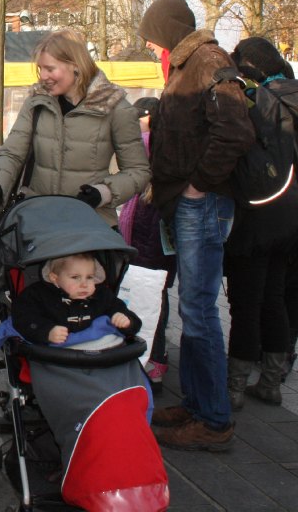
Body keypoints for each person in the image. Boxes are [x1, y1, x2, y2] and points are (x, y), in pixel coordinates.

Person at [138, 0, 254, 452]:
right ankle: (197, 404)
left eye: (150, 38)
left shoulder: (207, 60)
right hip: (187, 203)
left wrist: (197, 186)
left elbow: (235, 130)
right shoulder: (189, 65)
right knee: (194, 308)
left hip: (200, 204)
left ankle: (212, 419)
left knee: (200, 310)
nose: (148, 47)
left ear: (166, 31)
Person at [223, 37, 298, 409]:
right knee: (275, 298)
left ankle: (234, 389)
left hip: (256, 214)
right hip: (293, 217)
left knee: (245, 302)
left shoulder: (257, 105)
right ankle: (272, 381)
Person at [0, 29, 149, 226]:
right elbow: (12, 154)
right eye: (40, 69)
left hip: (89, 221)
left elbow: (138, 171)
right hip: (37, 216)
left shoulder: (115, 108)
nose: (43, 76)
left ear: (75, 66)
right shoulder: (36, 103)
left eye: (50, 69)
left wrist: (103, 193)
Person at [117, 96, 176, 394]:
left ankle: (149, 359)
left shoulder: (144, 142)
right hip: (165, 235)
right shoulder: (174, 147)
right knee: (159, 296)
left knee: (143, 296)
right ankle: (157, 358)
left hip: (144, 230)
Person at [11, 253, 141, 346]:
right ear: (55, 278)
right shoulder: (38, 295)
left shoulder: (102, 295)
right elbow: (23, 318)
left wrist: (127, 322)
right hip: (57, 359)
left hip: (98, 356)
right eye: (75, 277)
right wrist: (46, 331)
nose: (84, 284)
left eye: (90, 277)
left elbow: (129, 317)